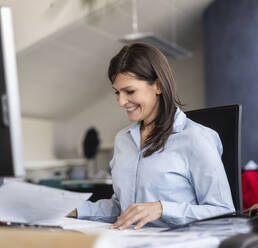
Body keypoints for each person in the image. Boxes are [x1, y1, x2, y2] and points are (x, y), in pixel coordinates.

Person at [68, 42, 235, 229]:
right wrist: (73, 210)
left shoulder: (197, 138)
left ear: (158, 85)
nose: (121, 102)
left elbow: (223, 211)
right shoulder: (123, 140)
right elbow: (122, 209)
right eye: (117, 92)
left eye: (130, 91)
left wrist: (162, 209)